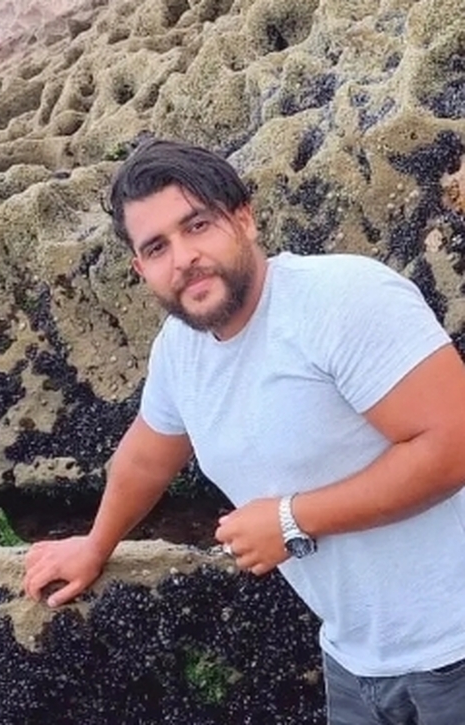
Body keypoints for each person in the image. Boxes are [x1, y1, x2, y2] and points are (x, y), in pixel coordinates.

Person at [23, 138, 465, 725]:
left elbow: (453, 446)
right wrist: (95, 544)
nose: (183, 258)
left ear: (244, 219)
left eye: (197, 225)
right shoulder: (180, 350)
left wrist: (291, 520)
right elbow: (146, 458)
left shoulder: (342, 300)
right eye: (157, 247)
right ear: (141, 270)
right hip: (356, 658)